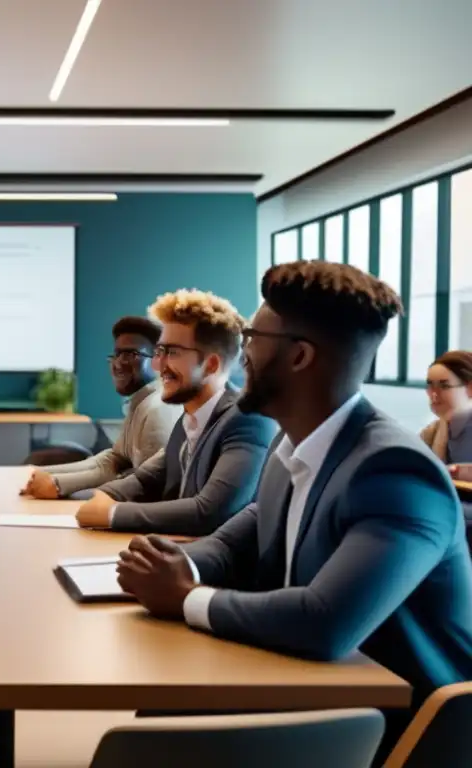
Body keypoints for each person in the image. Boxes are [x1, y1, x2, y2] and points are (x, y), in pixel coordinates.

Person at [116, 262, 472, 764]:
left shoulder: (394, 472)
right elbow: (237, 536)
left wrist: (186, 597)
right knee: (162, 714)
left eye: (252, 337)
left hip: (393, 734)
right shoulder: (293, 445)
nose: (243, 355)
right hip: (314, 696)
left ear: (299, 356)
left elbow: (325, 623)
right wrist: (173, 562)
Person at [74, 289, 276, 535]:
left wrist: (112, 513)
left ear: (211, 364)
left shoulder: (247, 420)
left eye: (172, 352)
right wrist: (106, 496)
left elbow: (209, 512)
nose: (158, 365)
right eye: (159, 352)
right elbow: (144, 479)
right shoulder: (190, 419)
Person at [22, 315, 179, 499]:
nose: (118, 363)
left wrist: (57, 485)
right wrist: (43, 473)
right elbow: (112, 460)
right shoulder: (140, 402)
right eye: (116, 354)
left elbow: (144, 485)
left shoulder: (158, 409)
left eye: (130, 355)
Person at [422, 350, 472, 474]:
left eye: (444, 386)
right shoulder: (431, 433)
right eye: (430, 385)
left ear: (470, 389)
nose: (433, 394)